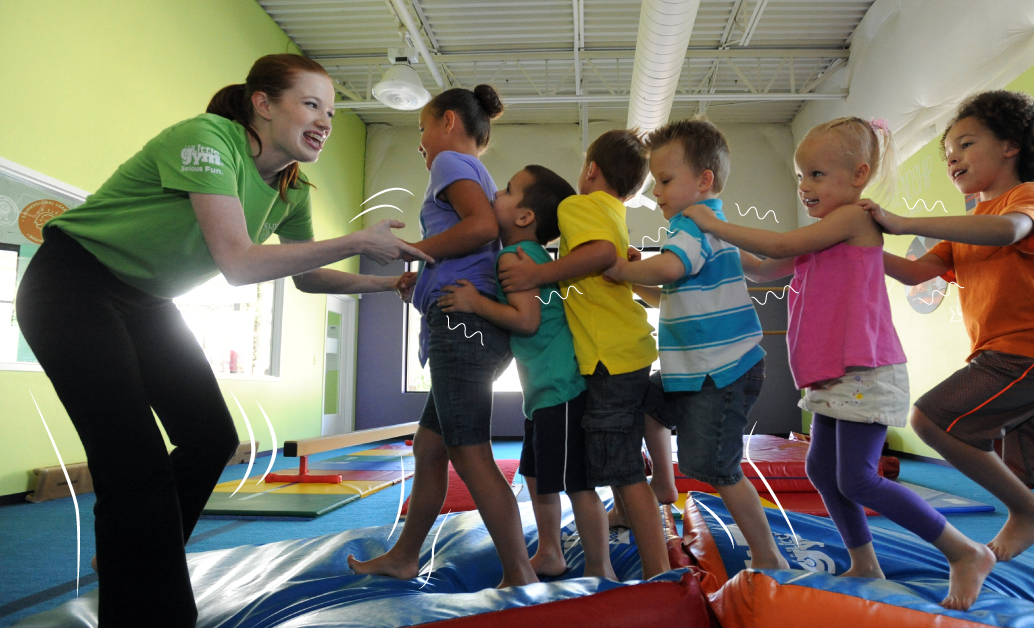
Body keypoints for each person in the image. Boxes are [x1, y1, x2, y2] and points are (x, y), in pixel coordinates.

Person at [15, 53, 428, 627]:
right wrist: (354, 239)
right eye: (310, 104)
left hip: (147, 301)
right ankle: (149, 605)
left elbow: (305, 277)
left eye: (330, 111)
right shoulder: (208, 139)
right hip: (73, 286)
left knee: (210, 437)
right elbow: (238, 261)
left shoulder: (291, 191)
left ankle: (136, 552)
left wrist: (390, 284)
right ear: (262, 104)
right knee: (133, 465)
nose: (325, 121)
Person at [683, 116, 995, 611]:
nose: (805, 186)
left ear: (858, 175)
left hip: (864, 371)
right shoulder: (823, 235)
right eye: (800, 176)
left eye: (817, 175)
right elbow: (766, 266)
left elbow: (779, 246)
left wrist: (714, 223)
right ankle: (864, 560)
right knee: (823, 472)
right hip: (836, 375)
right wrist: (713, 248)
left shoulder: (854, 220)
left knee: (857, 477)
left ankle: (964, 551)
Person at [864, 90, 1034, 622]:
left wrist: (908, 221)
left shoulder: (1029, 198)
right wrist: (856, 246)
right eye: (947, 152)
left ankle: (1027, 512)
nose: (953, 157)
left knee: (932, 418)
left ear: (1011, 145)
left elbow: (1008, 233)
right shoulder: (971, 223)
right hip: (1016, 353)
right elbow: (915, 273)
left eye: (965, 143)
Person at [348, 86, 539, 588]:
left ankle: (520, 573)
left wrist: (414, 250)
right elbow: (472, 244)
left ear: (448, 121)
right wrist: (423, 275)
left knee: (470, 452)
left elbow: (478, 229)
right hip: (470, 325)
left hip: (463, 329)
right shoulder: (473, 169)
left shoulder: (449, 163)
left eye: (421, 129)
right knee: (430, 450)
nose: (420, 143)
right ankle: (405, 554)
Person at [603, 118, 789, 571]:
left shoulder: (694, 223)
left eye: (666, 180)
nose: (658, 192)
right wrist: (634, 281)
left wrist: (622, 270)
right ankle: (661, 488)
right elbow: (666, 290)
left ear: (704, 181)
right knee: (642, 408)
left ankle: (769, 556)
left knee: (716, 467)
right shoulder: (703, 230)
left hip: (720, 369)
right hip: (694, 369)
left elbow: (668, 271)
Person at [498, 130, 670, 580]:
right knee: (617, 458)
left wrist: (540, 272)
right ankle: (647, 503)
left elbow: (602, 254)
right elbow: (612, 260)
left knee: (622, 472)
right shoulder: (614, 212)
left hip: (607, 356)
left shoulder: (579, 206)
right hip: (624, 349)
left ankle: (657, 573)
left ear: (590, 170)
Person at [437, 165, 616, 580]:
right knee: (536, 478)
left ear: (524, 217)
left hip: (562, 390)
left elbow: (528, 320)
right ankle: (551, 552)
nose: (495, 193)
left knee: (578, 485)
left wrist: (475, 304)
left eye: (507, 189)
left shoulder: (519, 258)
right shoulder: (517, 255)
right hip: (541, 394)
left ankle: (600, 566)